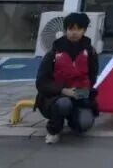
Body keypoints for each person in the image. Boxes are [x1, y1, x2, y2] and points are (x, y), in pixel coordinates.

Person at [35, 12, 99, 144]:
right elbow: (41, 82)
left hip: (79, 94)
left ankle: (73, 120)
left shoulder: (91, 52)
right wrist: (63, 90)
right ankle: (54, 130)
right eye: (71, 29)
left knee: (84, 123)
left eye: (79, 29)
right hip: (55, 96)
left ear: (84, 30)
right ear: (65, 30)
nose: (74, 32)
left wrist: (81, 93)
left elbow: (92, 79)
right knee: (64, 104)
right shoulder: (53, 53)